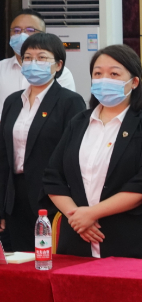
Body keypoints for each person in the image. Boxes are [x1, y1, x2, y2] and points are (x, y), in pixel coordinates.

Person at [44, 45, 142, 259]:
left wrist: (92, 214)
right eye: (98, 74)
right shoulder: (79, 122)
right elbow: (53, 176)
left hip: (130, 239)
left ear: (134, 82)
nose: (104, 80)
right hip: (77, 236)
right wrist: (76, 217)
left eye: (114, 74)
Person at [0, 33, 85, 251]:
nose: (33, 63)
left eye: (41, 57)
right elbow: (3, 156)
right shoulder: (12, 101)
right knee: (19, 260)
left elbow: (73, 156)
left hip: (51, 196)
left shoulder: (70, 101)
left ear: (58, 65)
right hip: (14, 196)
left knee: (50, 259)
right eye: (28, 58)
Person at [1, 10, 77, 120]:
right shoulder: (1, 68)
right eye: (16, 30)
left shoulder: (59, 72)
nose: (22, 35)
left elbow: (65, 113)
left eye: (30, 30)